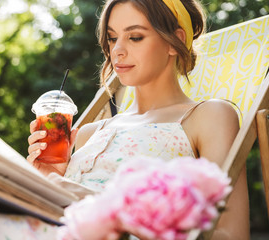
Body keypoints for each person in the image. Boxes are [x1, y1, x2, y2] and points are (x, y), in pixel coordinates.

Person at [27, 0, 250, 239]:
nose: (117, 50)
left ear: (174, 41)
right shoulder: (86, 134)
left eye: (134, 37)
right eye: (112, 38)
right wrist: (47, 177)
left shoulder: (207, 116)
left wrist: (115, 214)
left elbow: (230, 233)